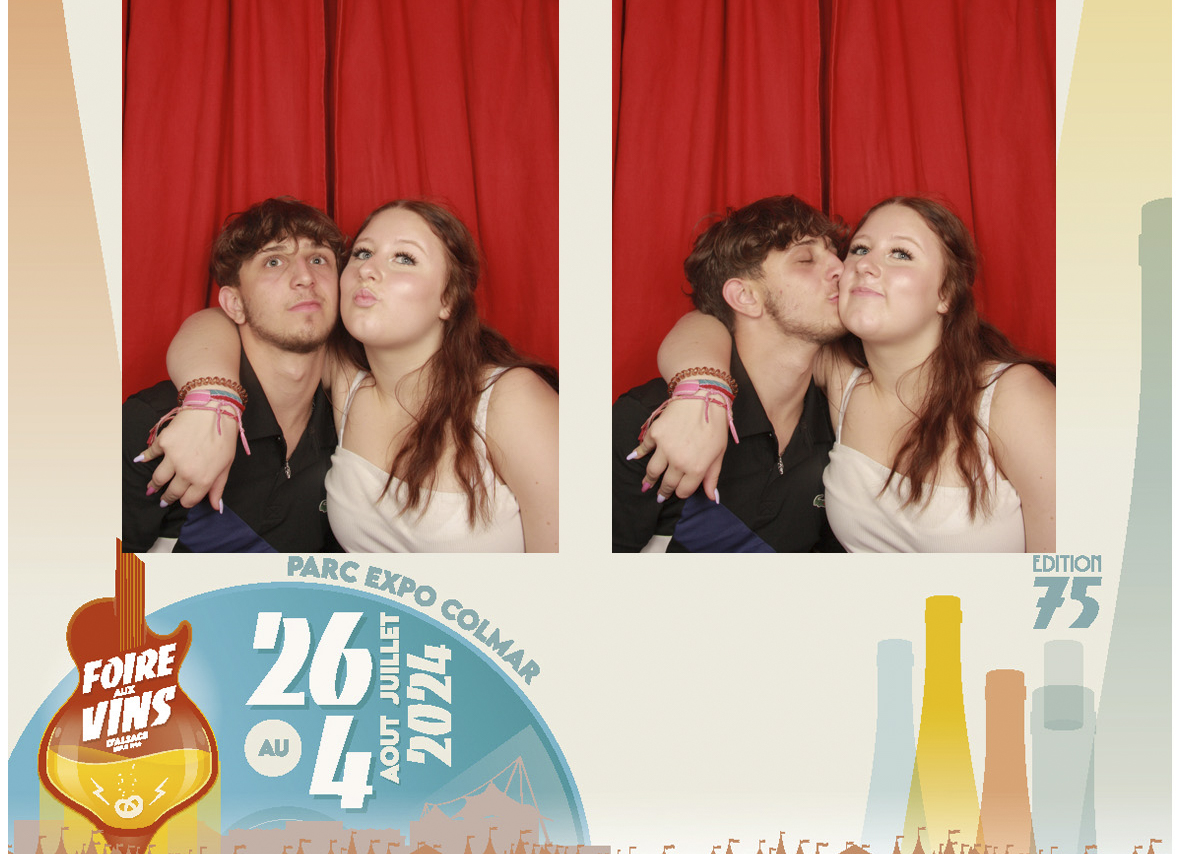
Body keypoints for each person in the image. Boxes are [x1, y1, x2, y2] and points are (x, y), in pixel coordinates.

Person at [638, 197, 1055, 554]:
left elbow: (1069, 576)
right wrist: (702, 392)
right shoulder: (839, 378)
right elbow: (711, 321)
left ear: (946, 293)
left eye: (901, 254)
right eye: (860, 249)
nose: (863, 266)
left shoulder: (1012, 396)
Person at [158, 200, 559, 554]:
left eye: (404, 258)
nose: (368, 269)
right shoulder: (345, 381)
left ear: (448, 299)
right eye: (363, 253)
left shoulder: (511, 400)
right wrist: (213, 401)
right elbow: (221, 322)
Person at [614, 196, 848, 553]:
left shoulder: (842, 422)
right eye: (805, 259)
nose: (841, 268)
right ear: (744, 296)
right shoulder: (648, 423)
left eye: (835, 253)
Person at [123, 198, 346, 553]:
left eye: (318, 259)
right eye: (274, 261)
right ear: (235, 304)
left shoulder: (350, 422)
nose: (306, 277)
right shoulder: (154, 423)